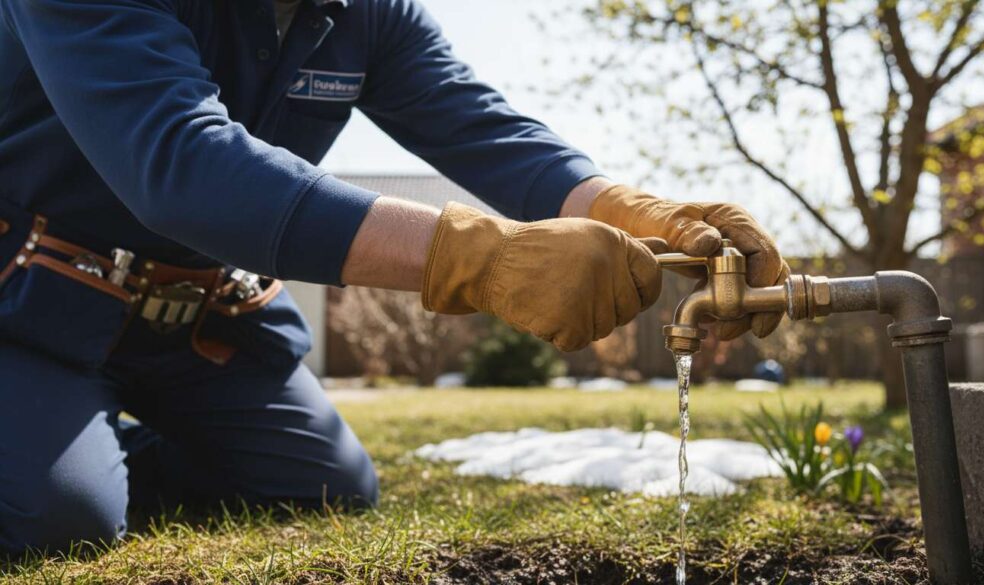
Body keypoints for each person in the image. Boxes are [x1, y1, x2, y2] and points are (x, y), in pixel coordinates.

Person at [0, 0, 789, 554]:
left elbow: (487, 130)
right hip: (27, 302)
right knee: (59, 520)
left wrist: (639, 211)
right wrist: (476, 257)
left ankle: (67, 451)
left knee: (322, 489)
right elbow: (181, 163)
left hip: (198, 318)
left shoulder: (366, 16)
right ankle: (55, 466)